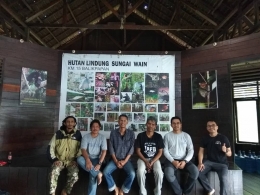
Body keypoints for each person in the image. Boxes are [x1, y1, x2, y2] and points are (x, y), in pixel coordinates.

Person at [47, 116, 82, 195]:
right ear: (65, 123)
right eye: (68, 122)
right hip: (59, 160)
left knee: (75, 176)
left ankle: (65, 191)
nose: (70, 123)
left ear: (75, 123)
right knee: (53, 173)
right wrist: (54, 160)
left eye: (72, 122)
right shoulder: (58, 133)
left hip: (71, 162)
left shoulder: (78, 134)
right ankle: (52, 193)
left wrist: (75, 160)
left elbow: (80, 149)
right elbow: (50, 147)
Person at [164, 116, 199, 195]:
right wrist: (173, 161)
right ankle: (179, 192)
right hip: (171, 160)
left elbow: (191, 150)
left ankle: (186, 192)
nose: (176, 125)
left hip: (184, 159)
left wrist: (185, 161)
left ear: (181, 124)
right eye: (174, 123)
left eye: (178, 123)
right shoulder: (167, 136)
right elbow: (165, 151)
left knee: (195, 172)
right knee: (168, 173)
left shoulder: (186, 136)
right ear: (171, 125)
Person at [103, 114, 135, 195]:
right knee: (106, 172)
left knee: (132, 174)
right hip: (115, 159)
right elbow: (111, 148)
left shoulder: (131, 134)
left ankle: (123, 189)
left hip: (126, 160)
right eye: (121, 120)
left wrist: (124, 161)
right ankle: (115, 188)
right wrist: (116, 161)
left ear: (127, 122)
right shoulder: (113, 133)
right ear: (118, 121)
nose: (123, 122)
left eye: (124, 121)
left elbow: (131, 149)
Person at [197, 120, 232, 195]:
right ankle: (209, 189)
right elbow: (201, 151)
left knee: (223, 178)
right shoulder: (205, 138)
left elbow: (230, 153)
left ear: (217, 127)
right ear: (207, 128)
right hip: (209, 162)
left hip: (222, 164)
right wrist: (200, 163)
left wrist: (225, 151)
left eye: (213, 125)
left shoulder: (223, 138)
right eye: (209, 126)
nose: (211, 127)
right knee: (198, 173)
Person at [77, 119, 107, 195]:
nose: (95, 128)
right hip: (87, 158)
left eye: (97, 126)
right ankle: (98, 173)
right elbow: (83, 149)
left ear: (99, 128)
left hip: (97, 159)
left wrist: (99, 163)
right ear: (90, 128)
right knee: (79, 159)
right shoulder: (86, 137)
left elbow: (104, 151)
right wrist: (87, 160)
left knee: (92, 176)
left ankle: (96, 173)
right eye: (93, 126)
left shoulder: (102, 137)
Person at [135, 116, 164, 195]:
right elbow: (138, 151)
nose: (150, 126)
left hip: (155, 159)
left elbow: (160, 152)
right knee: (140, 172)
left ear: (155, 126)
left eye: (153, 124)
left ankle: (157, 191)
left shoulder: (158, 136)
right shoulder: (140, 136)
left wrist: (152, 161)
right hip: (142, 158)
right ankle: (142, 192)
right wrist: (146, 161)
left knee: (159, 173)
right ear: (146, 124)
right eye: (149, 124)